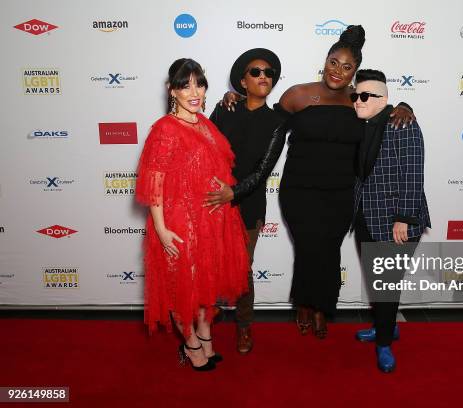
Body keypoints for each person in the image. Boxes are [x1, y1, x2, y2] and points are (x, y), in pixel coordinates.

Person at [209, 25, 415, 339]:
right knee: (307, 250)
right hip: (299, 193)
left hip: (341, 194)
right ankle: (305, 306)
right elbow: (266, 133)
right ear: (326, 60)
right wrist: (236, 96)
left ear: (354, 72)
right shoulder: (298, 95)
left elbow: (385, 115)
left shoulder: (360, 101)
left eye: (347, 67)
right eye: (334, 62)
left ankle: (321, 308)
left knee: (330, 253)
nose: (338, 71)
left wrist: (405, 107)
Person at [135, 58, 249, 371]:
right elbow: (154, 181)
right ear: (172, 90)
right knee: (182, 288)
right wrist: (160, 229)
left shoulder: (204, 123)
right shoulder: (165, 130)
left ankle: (206, 336)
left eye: (199, 83)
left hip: (208, 223)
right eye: (185, 85)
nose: (194, 91)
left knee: (204, 288)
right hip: (179, 223)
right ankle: (192, 345)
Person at [351, 69, 430, 373]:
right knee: (378, 282)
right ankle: (385, 326)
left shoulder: (402, 123)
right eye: (355, 95)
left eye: (366, 96)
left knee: (387, 283)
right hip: (363, 215)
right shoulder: (360, 124)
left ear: (384, 99)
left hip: (397, 220)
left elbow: (413, 174)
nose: (358, 100)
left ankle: (384, 342)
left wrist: (405, 219)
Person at [208, 48, 283, 354]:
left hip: (248, 206)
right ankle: (205, 316)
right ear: (242, 80)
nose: (263, 76)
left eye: (268, 73)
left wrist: (234, 193)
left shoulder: (276, 121)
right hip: (212, 202)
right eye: (255, 72)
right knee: (210, 263)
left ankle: (244, 326)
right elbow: (205, 146)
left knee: (242, 270)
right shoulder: (225, 109)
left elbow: (264, 169)